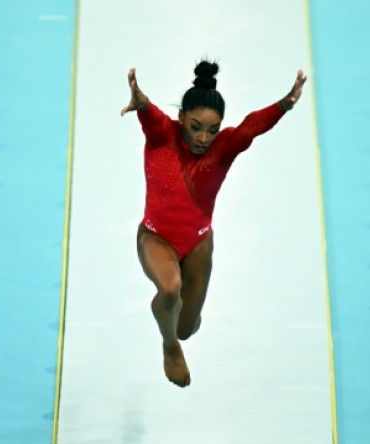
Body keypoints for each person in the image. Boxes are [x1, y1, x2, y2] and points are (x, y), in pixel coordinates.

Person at [120, 60, 307, 388]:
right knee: (169, 290)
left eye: (212, 129)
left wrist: (284, 105)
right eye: (195, 127)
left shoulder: (224, 149)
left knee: (186, 327)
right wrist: (142, 104)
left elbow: (252, 126)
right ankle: (170, 347)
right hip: (156, 237)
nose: (204, 138)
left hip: (198, 242)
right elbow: (150, 115)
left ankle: (179, 328)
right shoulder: (163, 134)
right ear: (181, 118)